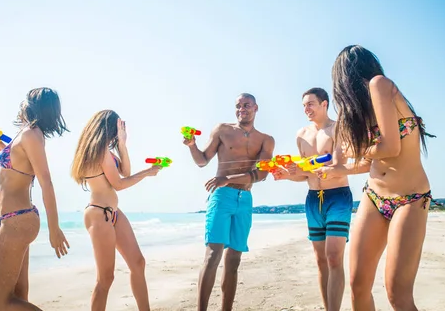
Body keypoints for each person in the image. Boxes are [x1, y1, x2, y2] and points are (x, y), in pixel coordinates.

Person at [320, 45, 436, 311]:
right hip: (373, 197)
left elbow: (392, 148)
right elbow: (370, 162)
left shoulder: (380, 84)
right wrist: (341, 170)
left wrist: (357, 149)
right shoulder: (362, 111)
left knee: (397, 293)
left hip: (410, 199)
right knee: (358, 287)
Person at [183, 93, 275, 311]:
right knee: (213, 254)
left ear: (256, 108)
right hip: (221, 197)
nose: (242, 109)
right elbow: (202, 161)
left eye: (246, 105)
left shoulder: (265, 140)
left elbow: (262, 174)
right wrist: (191, 145)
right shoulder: (222, 130)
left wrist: (228, 179)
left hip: (244, 199)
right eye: (238, 106)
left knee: (234, 259)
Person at [0, 87, 70, 311]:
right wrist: (2, 149)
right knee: (18, 296)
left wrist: (54, 228)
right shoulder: (30, 134)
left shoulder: (30, 134)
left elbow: (46, 182)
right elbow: (22, 167)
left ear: (31, 107)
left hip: (16, 220)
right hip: (16, 219)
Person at [70, 110, 162, 311]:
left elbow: (125, 172)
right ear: (108, 128)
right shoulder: (98, 152)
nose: (118, 133)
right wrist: (147, 173)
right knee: (105, 278)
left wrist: (122, 144)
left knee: (138, 263)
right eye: (117, 129)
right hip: (98, 214)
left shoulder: (107, 152)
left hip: (113, 213)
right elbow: (119, 184)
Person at [273, 87, 352, 311]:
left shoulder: (338, 128)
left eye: (311, 104)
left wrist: (310, 166)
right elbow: (304, 175)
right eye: (304, 105)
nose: (306, 109)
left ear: (324, 104)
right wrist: (288, 175)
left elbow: (338, 165)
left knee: (334, 257)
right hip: (312, 198)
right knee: (320, 261)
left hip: (337, 197)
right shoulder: (301, 135)